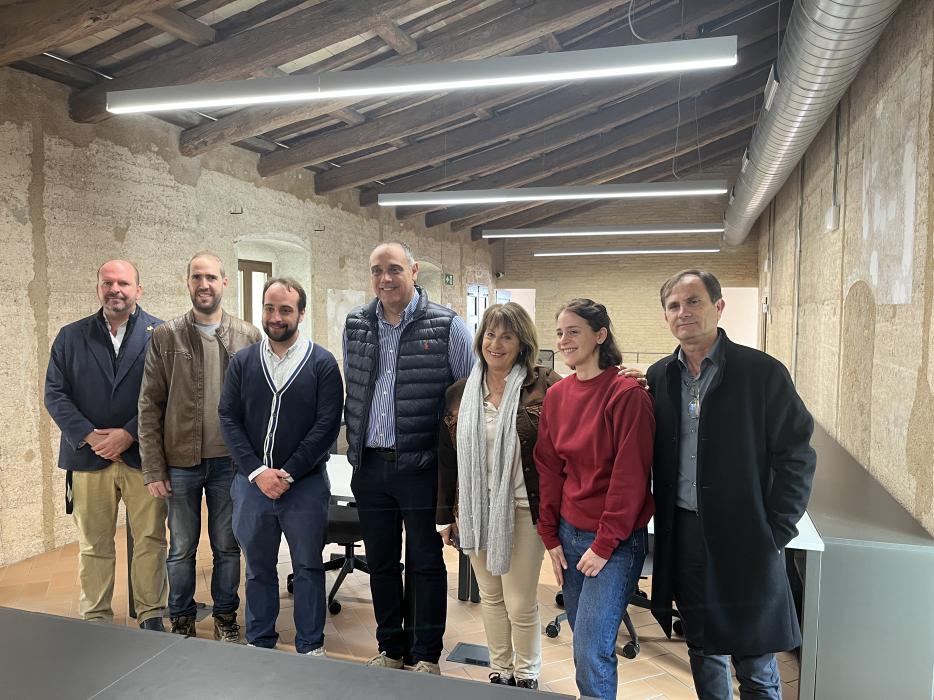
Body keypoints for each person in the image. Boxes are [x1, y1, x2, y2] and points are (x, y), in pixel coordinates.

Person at [646, 269, 816, 700]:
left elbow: (797, 455)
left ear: (718, 307)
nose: (683, 312)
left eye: (694, 301)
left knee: (754, 657)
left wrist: (777, 528)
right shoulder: (660, 376)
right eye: (673, 305)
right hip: (684, 533)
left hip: (747, 535)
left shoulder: (761, 373)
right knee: (702, 647)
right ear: (666, 316)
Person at [342, 241, 474, 674]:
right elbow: (355, 387)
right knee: (381, 563)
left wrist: (458, 482)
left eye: (394, 269)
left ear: (414, 271)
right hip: (370, 466)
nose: (385, 279)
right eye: (377, 270)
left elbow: (467, 400)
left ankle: (425, 655)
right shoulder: (356, 324)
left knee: (425, 562)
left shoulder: (448, 326)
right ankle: (391, 648)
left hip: (422, 469)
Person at [534, 298, 655, 700]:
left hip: (614, 542)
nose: (563, 340)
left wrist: (604, 544)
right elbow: (549, 469)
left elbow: (630, 479)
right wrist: (550, 535)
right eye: (559, 333)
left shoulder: (627, 395)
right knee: (583, 644)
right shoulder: (557, 396)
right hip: (569, 535)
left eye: (574, 331)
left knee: (591, 648)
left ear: (600, 335)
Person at [437, 303, 560, 689]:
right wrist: (445, 516)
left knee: (520, 602)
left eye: (507, 336)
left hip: (523, 509)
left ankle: (526, 674)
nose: (496, 343)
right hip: (475, 509)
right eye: (490, 334)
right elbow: (447, 459)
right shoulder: (459, 392)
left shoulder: (544, 385)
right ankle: (502, 670)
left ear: (522, 342)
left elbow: (586, 400)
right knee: (490, 596)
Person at [138, 251, 260, 641]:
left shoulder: (248, 336)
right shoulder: (165, 335)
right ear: (187, 283)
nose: (203, 284)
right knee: (181, 547)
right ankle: (182, 617)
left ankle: (225, 616)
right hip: (180, 462)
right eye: (196, 277)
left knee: (227, 546)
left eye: (210, 277)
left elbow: (259, 405)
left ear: (224, 282)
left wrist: (256, 465)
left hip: (231, 463)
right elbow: (149, 405)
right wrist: (153, 468)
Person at [219, 278, 343, 655]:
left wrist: (287, 473)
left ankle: (310, 645)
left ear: (301, 314)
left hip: (304, 486)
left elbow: (326, 425)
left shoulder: (322, 363)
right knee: (258, 568)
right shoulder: (243, 362)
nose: (276, 317)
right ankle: (260, 641)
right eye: (270, 308)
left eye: (285, 310)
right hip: (251, 485)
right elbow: (228, 418)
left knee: (307, 567)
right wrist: (258, 472)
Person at [44, 260, 168, 630]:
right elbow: (55, 393)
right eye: (108, 282)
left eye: (123, 283)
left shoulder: (162, 334)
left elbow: (169, 394)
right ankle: (96, 618)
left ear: (138, 289)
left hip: (143, 456)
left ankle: (151, 614)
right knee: (93, 543)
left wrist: (128, 433)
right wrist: (89, 434)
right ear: (98, 287)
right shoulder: (71, 336)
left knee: (150, 539)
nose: (115, 289)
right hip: (88, 456)